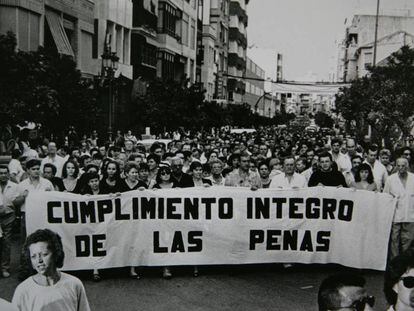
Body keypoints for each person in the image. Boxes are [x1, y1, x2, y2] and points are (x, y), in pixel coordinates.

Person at [12, 229, 90, 311]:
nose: (39, 260)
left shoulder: (74, 284)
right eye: (33, 256)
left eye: (44, 254)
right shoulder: (23, 291)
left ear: (56, 254)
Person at [384, 157, 414, 260]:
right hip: (395, 216)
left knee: (408, 241)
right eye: (399, 166)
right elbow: (386, 197)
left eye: (403, 166)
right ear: (396, 166)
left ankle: (406, 265)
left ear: (407, 166)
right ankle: (394, 265)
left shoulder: (413, 178)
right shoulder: (390, 179)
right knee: (394, 241)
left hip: (410, 215)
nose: (401, 168)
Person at [0, 165, 19, 278]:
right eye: (0, 173)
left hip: (8, 216)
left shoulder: (14, 186)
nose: (2, 175)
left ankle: (4, 268)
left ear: (8, 174)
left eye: (4, 173)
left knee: (6, 243)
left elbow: (16, 202)